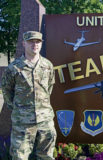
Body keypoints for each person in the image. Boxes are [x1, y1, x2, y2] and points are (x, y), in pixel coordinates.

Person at [1, 31, 56, 160]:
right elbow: (7, 91)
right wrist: (19, 109)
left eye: (37, 42)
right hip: (22, 122)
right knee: (20, 156)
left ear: (41, 44)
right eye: (31, 41)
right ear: (23, 43)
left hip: (45, 120)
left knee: (46, 156)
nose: (34, 44)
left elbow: (49, 88)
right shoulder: (13, 68)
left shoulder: (47, 65)